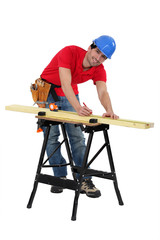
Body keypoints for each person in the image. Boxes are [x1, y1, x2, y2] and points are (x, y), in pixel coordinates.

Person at [40, 35, 119, 198]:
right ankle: (59, 176)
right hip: (48, 92)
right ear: (90, 47)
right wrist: (78, 108)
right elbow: (65, 83)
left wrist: (109, 109)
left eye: (103, 57)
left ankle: (84, 179)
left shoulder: (99, 69)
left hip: (70, 92)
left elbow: (102, 91)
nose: (98, 58)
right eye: (97, 52)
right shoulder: (69, 52)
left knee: (76, 136)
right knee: (51, 136)